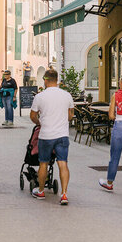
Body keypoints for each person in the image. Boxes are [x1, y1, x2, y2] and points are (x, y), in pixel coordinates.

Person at [29, 69, 74, 205]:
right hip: (62, 135)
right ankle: (64, 194)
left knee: (44, 163)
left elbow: (32, 115)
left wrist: (39, 122)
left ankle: (41, 191)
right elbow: (70, 115)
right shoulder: (67, 95)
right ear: (57, 80)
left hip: (46, 135)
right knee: (63, 163)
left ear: (46, 80)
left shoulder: (40, 96)